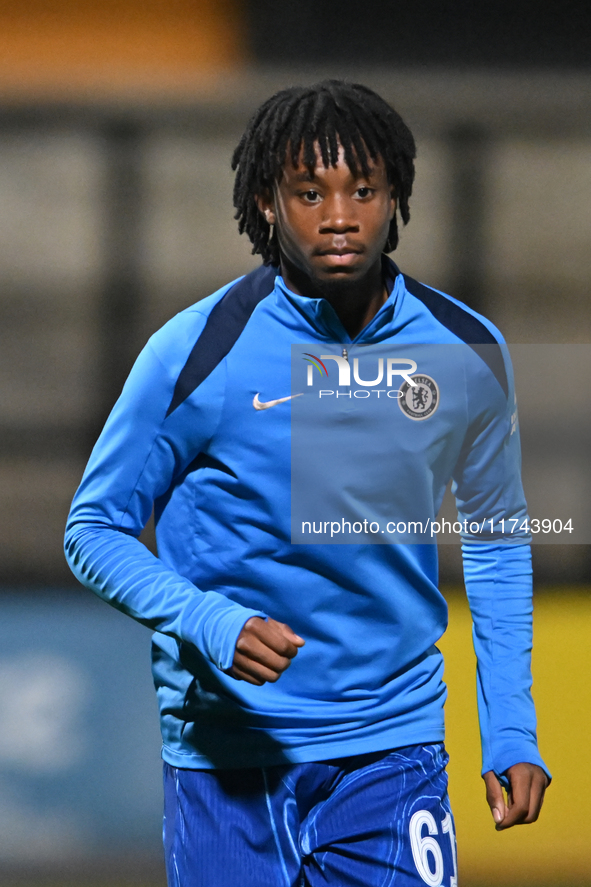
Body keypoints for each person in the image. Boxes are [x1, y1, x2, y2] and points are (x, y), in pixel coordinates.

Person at [65, 80, 549, 886]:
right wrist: (207, 619)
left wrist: (510, 728)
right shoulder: (196, 353)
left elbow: (497, 537)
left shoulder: (465, 353)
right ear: (264, 202)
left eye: (362, 190)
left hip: (392, 749)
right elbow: (93, 528)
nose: (337, 215)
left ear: (396, 196)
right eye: (307, 191)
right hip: (227, 755)